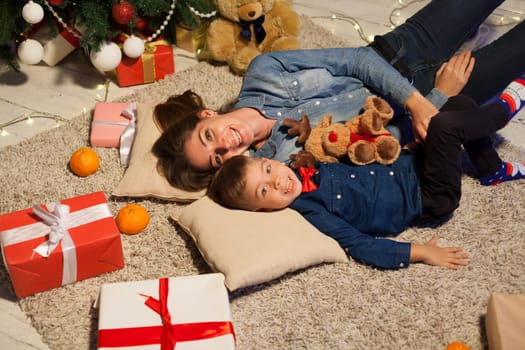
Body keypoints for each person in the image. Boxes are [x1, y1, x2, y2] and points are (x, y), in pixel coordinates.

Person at [152, 0, 525, 191]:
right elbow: (378, 146)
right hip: (440, 97)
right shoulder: (284, 159)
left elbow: (357, 60)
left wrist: (418, 104)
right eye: (219, 158)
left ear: (205, 116)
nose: (227, 144)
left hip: (404, 47)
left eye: (209, 136)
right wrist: (440, 98)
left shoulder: (263, 72)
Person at [206, 80, 525, 270]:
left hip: (413, 164)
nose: (276, 180)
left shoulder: (298, 166)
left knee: (458, 103)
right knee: (445, 127)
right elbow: (359, 245)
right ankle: (505, 108)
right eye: (265, 191)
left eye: (266, 169)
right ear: (262, 210)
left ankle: (491, 170)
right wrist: (420, 252)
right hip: (429, 196)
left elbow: (345, 152)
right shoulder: (309, 211)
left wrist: (407, 151)